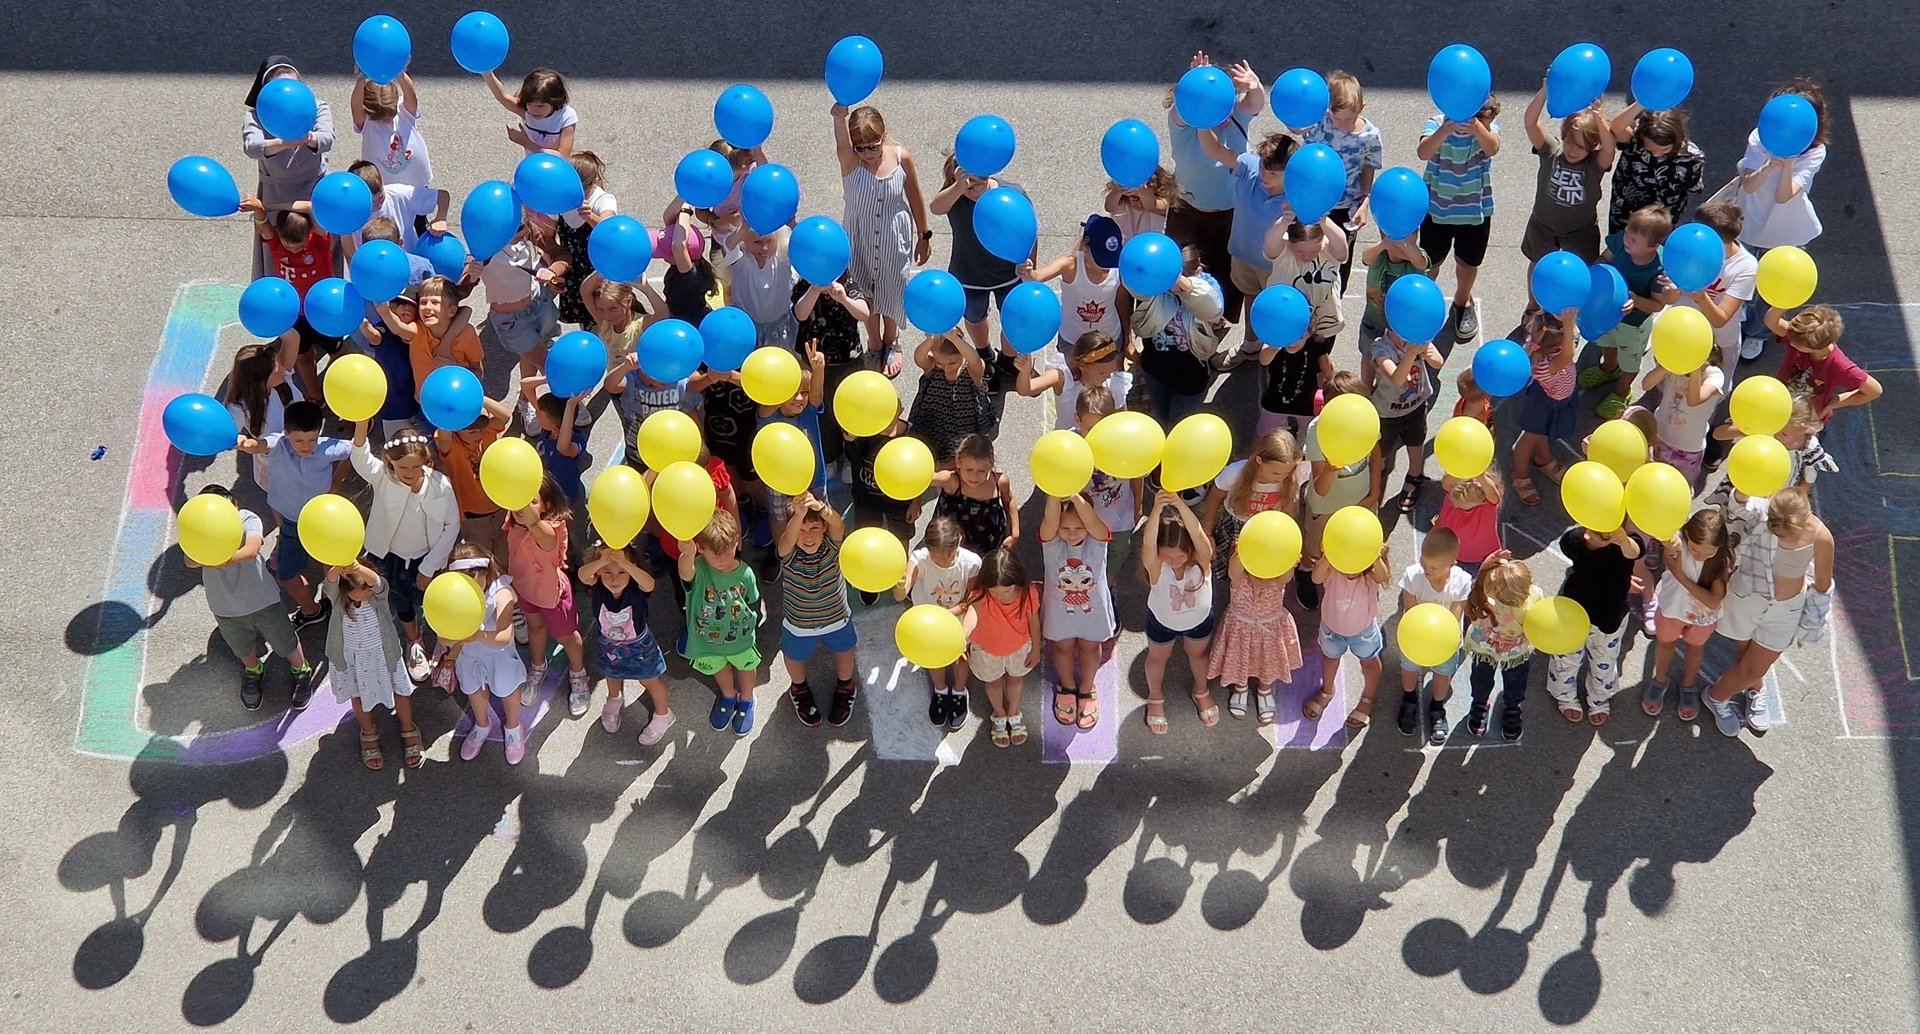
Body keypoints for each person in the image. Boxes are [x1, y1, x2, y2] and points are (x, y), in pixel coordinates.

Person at [1703, 492, 1834, 737]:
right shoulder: (1764, 512)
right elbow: (1739, 504)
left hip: (1785, 612)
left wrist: (1813, 621)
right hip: (1747, 600)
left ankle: (1715, 696)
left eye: (1784, 534)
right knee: (1746, 658)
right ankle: (1755, 689)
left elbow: (1823, 584)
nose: (1778, 535)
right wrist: (1743, 487)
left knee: (1754, 668)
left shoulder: (1821, 536)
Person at [185, 485, 317, 712]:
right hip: (225, 606)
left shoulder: (246, 519)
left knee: (285, 639)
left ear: (234, 506)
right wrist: (208, 554)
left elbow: (252, 550)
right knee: (241, 646)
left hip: (263, 600)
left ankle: (301, 670)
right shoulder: (200, 530)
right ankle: (253, 670)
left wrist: (219, 560)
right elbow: (189, 560)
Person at [1164, 52, 1265, 343]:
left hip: (1229, 212)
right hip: (1186, 208)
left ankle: (1216, 323)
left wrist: (1255, 86)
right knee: (1180, 267)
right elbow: (1182, 108)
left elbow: (1256, 102)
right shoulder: (1183, 121)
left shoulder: (1237, 117)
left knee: (1224, 271)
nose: (1219, 112)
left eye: (1222, 103)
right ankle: (1176, 321)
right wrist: (1194, 84)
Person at [349, 420, 459, 681]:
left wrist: (428, 567)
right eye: (403, 467)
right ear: (389, 461)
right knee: (401, 602)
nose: (409, 472)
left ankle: (446, 642)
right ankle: (414, 642)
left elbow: (452, 526)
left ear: (425, 461)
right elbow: (360, 457)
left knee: (435, 602)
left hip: (427, 560)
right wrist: (361, 424)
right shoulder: (382, 477)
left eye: (415, 466)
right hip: (390, 558)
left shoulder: (440, 484)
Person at [1735, 79, 1830, 359]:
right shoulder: (1759, 138)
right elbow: (1749, 185)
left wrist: (1787, 163)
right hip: (1750, 221)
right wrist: (1768, 165)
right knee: (1742, 277)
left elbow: (1783, 195)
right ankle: (1735, 322)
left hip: (1785, 229)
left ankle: (1758, 333)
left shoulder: (1815, 151)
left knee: (1773, 286)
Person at [833, 103, 931, 375]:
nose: (867, 153)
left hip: (893, 236)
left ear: (883, 136)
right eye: (860, 148)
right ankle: (874, 341)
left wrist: (924, 235)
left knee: (892, 286)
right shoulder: (850, 162)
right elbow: (841, 142)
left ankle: (892, 338)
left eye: (873, 146)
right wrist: (839, 116)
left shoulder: (901, 158)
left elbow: (915, 196)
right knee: (865, 290)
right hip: (859, 238)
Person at [235, 400, 347, 628]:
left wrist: (336, 482)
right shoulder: (278, 445)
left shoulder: (327, 447)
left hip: (323, 521)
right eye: (299, 441)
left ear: (319, 432)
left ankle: (337, 604)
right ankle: (312, 610)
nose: (306, 446)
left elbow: (354, 451)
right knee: (286, 576)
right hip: (291, 523)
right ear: (286, 434)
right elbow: (259, 445)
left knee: (334, 566)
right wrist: (245, 443)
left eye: (312, 440)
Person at [1194, 129, 1295, 368]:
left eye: (1273, 173)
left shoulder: (1298, 198)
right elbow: (1214, 150)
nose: (1264, 175)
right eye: (1263, 167)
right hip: (1243, 257)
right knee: (1250, 297)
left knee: (1277, 309)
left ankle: (1278, 354)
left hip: (1276, 267)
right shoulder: (1250, 166)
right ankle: (1250, 346)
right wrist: (1202, 122)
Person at [931, 155, 1029, 392]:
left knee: (1013, 319)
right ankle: (985, 356)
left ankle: (1007, 359)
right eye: (967, 185)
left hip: (1008, 274)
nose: (973, 191)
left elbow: (1029, 229)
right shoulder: (954, 198)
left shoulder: (1010, 194)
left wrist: (1029, 263)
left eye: (978, 183)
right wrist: (959, 186)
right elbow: (935, 207)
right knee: (975, 318)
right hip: (969, 274)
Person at [1520, 86, 1614, 311]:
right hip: (1543, 225)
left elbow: (1610, 148)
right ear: (1563, 137)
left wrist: (1599, 116)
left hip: (1580, 231)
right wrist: (1545, 91)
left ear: (1593, 146)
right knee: (1538, 265)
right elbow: (1530, 122)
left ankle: (1570, 312)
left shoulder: (1594, 164)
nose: (1573, 150)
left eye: (1581, 147)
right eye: (1570, 142)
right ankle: (1534, 306)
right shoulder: (1551, 151)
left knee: (1580, 272)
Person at [1579, 204, 1676, 418]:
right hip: (1607, 313)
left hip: (1634, 324)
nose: (1626, 240)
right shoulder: (1620, 243)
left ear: (1652, 247)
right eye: (1627, 234)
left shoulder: (1658, 270)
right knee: (1606, 343)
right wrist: (1597, 272)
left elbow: (1658, 304)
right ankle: (1608, 369)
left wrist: (1637, 301)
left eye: (1633, 240)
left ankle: (1622, 390)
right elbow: (1604, 259)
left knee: (1630, 359)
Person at [1417, 98, 1501, 343]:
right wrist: (1444, 130)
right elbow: (1423, 152)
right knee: (1430, 263)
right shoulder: (1436, 123)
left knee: (1468, 264)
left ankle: (1462, 301)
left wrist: (1478, 128)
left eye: (1481, 117)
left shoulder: (1485, 129)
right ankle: (1424, 302)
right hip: (1437, 209)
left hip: (1474, 212)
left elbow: (1493, 148)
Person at [322, 560, 420, 770]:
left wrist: (357, 568)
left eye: (368, 588)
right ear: (346, 591)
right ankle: (368, 732)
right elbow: (329, 583)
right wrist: (338, 567)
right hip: (352, 659)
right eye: (362, 590)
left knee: (400, 691)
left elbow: (378, 583)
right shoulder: (338, 599)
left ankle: (408, 728)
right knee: (357, 695)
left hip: (384, 655)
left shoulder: (377, 597)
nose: (368, 592)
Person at [439, 545, 532, 764]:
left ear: (484, 571)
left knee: (507, 689)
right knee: (473, 688)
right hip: (469, 656)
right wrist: (452, 638)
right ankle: (482, 725)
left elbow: (504, 635)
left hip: (499, 655)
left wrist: (475, 635)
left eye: (472, 579)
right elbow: (443, 638)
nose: (469, 588)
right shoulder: (453, 595)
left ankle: (513, 727)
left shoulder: (501, 592)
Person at [578, 542, 676, 746]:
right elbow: (582, 575)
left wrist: (625, 563)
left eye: (622, 572)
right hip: (609, 644)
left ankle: (663, 714)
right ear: (599, 572)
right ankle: (614, 699)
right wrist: (603, 560)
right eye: (607, 572)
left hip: (639, 646)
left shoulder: (636, 589)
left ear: (632, 570)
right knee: (611, 674)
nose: (615, 579)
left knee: (649, 680)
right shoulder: (597, 586)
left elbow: (650, 584)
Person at [242, 56, 333, 274]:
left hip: (313, 186)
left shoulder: (317, 106)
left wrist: (307, 137)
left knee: (321, 246)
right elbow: (251, 147)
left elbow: (327, 139)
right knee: (276, 245)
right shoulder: (256, 115)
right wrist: (285, 142)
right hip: (276, 190)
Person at [777, 493, 859, 732]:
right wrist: (799, 514)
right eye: (800, 530)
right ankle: (799, 688)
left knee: (844, 650)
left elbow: (839, 524)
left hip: (837, 618)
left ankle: (846, 685)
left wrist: (820, 507)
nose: (808, 536)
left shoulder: (833, 546)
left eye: (814, 528)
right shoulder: (789, 554)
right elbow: (786, 540)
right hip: (798, 623)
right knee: (794, 656)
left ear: (824, 527)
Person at [1257, 217, 1347, 437]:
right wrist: (1283, 221)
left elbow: (1343, 247)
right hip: (1283, 324)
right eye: (1301, 251)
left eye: (1313, 250)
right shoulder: (1283, 253)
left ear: (1322, 241)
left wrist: (1324, 219)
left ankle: (1313, 402)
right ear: (1289, 243)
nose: (1307, 255)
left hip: (1323, 323)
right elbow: (1269, 243)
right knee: (1278, 366)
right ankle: (1275, 403)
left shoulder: (1330, 251)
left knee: (1314, 363)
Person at [508, 475, 589, 716]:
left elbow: (537, 527)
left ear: (546, 506)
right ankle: (538, 666)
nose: (522, 508)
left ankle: (578, 673)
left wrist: (526, 512)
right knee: (535, 628)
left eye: (531, 501)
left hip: (552, 595)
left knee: (566, 636)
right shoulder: (513, 521)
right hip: (526, 590)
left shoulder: (549, 530)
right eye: (518, 501)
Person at [1642, 509, 1734, 722]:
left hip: (1701, 618)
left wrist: (1680, 574)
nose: (1700, 556)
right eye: (1695, 550)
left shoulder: (1721, 560)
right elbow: (1666, 545)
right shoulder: (1676, 545)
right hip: (1672, 610)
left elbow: (1714, 600)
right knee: (1665, 644)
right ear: (1686, 536)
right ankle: (1660, 679)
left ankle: (1688, 684)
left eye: (1708, 554)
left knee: (1695, 648)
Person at [1208, 529, 1305, 729]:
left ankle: (1264, 689)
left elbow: (1286, 575)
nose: (1262, 577)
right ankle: (1240, 686)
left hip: (1269, 633)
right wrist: (1240, 551)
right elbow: (1234, 570)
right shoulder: (1239, 579)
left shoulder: (1278, 582)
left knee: (1267, 663)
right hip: (1241, 631)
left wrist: (1290, 558)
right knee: (1239, 660)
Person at [1547, 524, 1642, 725]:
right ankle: (1564, 694)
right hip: (1575, 611)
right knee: (1566, 656)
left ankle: (1599, 696)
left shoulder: (1629, 542)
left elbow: (1635, 551)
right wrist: (1590, 541)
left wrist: (1622, 539)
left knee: (1604, 658)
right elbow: (1567, 544)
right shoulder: (1579, 539)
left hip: (1610, 615)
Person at [679, 510, 764, 737]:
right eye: (716, 555)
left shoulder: (746, 573)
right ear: (700, 548)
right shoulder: (698, 569)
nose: (723, 560)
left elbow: (752, 601)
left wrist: (753, 626)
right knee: (718, 668)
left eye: (728, 552)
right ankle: (728, 694)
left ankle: (747, 698)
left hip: (740, 638)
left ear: (736, 542)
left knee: (745, 666)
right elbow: (685, 573)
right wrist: (686, 554)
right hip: (706, 641)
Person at [1302, 371, 1381, 608]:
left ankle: (1355, 576)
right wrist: (1332, 465)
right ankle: (1305, 573)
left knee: (1357, 543)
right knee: (1315, 551)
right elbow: (1321, 489)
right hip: (1325, 508)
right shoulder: (1318, 430)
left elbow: (1376, 455)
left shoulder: (1365, 420)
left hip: (1362, 500)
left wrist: (1374, 493)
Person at [1301, 70, 1385, 292]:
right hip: (1313, 202)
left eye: (1349, 119)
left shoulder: (1370, 136)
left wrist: (1364, 201)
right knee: (1306, 255)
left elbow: (1368, 167)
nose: (1342, 125)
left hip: (1345, 207)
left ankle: (1334, 300)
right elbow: (1296, 126)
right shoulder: (1320, 123)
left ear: (1362, 108)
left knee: (1339, 261)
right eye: (1337, 118)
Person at [243, 200, 336, 398]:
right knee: (303, 358)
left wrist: (274, 205)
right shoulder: (277, 244)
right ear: (280, 235)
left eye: (299, 247)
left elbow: (312, 206)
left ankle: (339, 386)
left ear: (310, 232)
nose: (293, 250)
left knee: (336, 351)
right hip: (295, 314)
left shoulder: (319, 242)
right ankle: (315, 396)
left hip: (323, 310)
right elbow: (263, 226)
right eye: (288, 245)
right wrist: (259, 209)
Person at [1040, 493, 1116, 732]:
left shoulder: (1097, 541)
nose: (1072, 533)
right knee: (1061, 648)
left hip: (1092, 612)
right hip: (1060, 612)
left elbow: (1094, 524)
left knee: (1090, 648)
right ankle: (1068, 685)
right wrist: (1055, 498)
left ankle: (1087, 687)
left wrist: (1075, 496)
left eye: (1079, 528)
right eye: (1065, 528)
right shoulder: (1052, 544)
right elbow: (1049, 522)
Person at [1141, 490, 1216, 733]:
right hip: (1162, 623)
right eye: (1168, 556)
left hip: (1199, 622)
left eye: (1180, 555)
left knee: (1198, 656)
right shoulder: (1156, 567)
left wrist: (1180, 506)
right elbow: (1148, 543)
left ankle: (1201, 690)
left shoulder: (1201, 562)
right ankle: (1155, 697)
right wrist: (1156, 511)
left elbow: (1197, 533)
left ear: (1191, 550)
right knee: (1157, 659)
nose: (1174, 561)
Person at [897, 516, 982, 723]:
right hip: (928, 621)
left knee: (960, 657)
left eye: (949, 554)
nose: (943, 560)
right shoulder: (918, 559)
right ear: (928, 548)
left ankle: (960, 691)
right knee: (933, 655)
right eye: (937, 555)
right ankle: (940, 690)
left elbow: (971, 599)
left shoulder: (971, 563)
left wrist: (955, 616)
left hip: (956, 619)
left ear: (959, 542)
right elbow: (900, 596)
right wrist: (899, 583)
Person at [1128, 245, 1225, 426]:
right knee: (1160, 417)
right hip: (1154, 370)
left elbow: (1213, 308)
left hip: (1191, 377)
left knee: (1181, 424)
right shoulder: (1154, 283)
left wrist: (1183, 284)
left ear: (1197, 270)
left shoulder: (1207, 285)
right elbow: (1132, 282)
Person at [482, 215, 564, 424]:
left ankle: (525, 400)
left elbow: (561, 257)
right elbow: (467, 271)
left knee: (531, 356)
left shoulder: (530, 236)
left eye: (520, 228)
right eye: (512, 230)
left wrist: (552, 272)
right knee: (548, 365)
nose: (517, 235)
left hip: (538, 305)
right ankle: (558, 406)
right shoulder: (485, 249)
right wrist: (469, 273)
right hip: (511, 322)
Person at [1395, 528, 1473, 742]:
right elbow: (1410, 612)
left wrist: (1445, 640)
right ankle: (1409, 698)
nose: (1426, 569)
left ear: (1451, 564)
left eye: (1433, 567)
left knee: (1443, 672)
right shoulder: (1413, 576)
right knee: (1409, 667)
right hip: (1415, 638)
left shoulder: (1462, 581)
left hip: (1443, 642)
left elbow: (1454, 618)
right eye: (1423, 562)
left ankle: (1437, 706)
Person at [1306, 542, 1392, 729]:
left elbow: (1383, 576)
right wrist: (1328, 556)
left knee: (1369, 663)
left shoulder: (1369, 576)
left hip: (1363, 634)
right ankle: (1327, 690)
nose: (1350, 569)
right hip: (1331, 631)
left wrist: (1375, 555)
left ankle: (1368, 698)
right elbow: (1316, 577)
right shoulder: (1332, 571)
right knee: (1330, 658)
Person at [1202, 428, 1306, 580]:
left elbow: (1291, 514)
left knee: (1257, 574)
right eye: (1276, 473)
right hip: (1235, 525)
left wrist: (1289, 502)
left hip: (1267, 530)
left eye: (1287, 473)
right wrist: (1207, 531)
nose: (1281, 478)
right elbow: (1215, 497)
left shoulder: (1289, 480)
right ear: (1259, 460)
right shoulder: (1235, 473)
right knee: (1231, 569)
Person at [1460, 552, 1542, 742]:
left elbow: (1540, 621)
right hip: (1504, 650)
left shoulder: (1486, 593)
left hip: (1495, 649)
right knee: (1511, 680)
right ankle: (1491, 704)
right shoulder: (1489, 597)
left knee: (1488, 679)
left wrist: (1484, 570)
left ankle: (1498, 705)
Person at [795, 275, 873, 474]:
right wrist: (814, 290)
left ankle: (852, 457)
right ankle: (829, 456)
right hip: (816, 363)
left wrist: (844, 299)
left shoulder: (849, 284)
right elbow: (800, 314)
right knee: (823, 411)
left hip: (849, 360)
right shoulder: (804, 286)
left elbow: (864, 313)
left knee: (852, 408)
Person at [965, 549, 1043, 747]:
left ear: (1018, 581)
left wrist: (1036, 647)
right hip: (987, 652)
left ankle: (1014, 711)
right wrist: (961, 638)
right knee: (993, 683)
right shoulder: (979, 595)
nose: (1000, 596)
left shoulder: (1029, 593)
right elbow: (971, 615)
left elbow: (1033, 621)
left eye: (1007, 591)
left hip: (1019, 648)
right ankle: (999, 713)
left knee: (1016, 680)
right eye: (995, 591)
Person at [1370, 325, 1446, 513]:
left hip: (1416, 406)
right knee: (1381, 448)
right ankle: (1376, 472)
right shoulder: (1380, 347)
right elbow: (1397, 379)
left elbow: (1438, 362)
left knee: (1416, 440)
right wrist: (1411, 353)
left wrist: (1426, 351)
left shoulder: (1417, 336)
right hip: (1387, 412)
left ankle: (1414, 474)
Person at [1023, 216, 1127, 354]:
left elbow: (1122, 303)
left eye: (1112, 259)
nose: (1108, 266)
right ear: (1085, 248)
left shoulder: (1121, 267)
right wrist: (1027, 271)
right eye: (1102, 259)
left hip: (1110, 339)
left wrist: (1128, 340)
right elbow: (1036, 277)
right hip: (1072, 342)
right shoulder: (1070, 265)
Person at [1767, 304, 1882, 426]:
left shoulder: (1840, 366)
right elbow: (1770, 321)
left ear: (1816, 348)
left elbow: (1875, 391)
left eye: (1796, 344)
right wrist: (1786, 302)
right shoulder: (1798, 336)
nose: (1790, 342)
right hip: (1779, 404)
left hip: (1804, 421)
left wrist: (1833, 404)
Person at [373, 276, 482, 403]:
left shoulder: (466, 333)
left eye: (435, 302)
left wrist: (455, 369)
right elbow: (399, 329)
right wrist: (384, 312)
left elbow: (478, 372)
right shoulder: (418, 329)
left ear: (451, 311)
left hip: (459, 400)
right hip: (427, 403)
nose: (427, 307)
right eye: (423, 302)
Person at [1510, 311, 1579, 506]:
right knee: (1529, 438)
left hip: (1555, 398)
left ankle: (1543, 458)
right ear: (1558, 346)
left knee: (1542, 432)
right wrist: (1568, 322)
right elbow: (1569, 352)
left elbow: (1569, 342)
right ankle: (1519, 474)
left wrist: (1566, 322)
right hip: (1544, 403)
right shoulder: (1548, 365)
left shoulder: (1544, 347)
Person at [1073, 388, 1144, 575]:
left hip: (1121, 516)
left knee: (1118, 552)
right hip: (1083, 519)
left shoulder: (1124, 445)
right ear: (1078, 420)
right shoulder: (1072, 444)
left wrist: (1138, 504)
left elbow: (1137, 474)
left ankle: (1108, 583)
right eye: (1090, 429)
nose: (1096, 436)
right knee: (1084, 554)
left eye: (1102, 429)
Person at [435, 395, 513, 564]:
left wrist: (477, 396)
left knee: (505, 561)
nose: (479, 434)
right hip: (474, 520)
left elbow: (505, 416)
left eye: (481, 429)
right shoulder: (453, 446)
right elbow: (444, 435)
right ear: (456, 430)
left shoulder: (487, 434)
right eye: (472, 431)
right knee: (484, 563)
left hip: (501, 510)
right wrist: (451, 407)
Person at [1606, 105, 1705, 236]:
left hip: (1660, 222)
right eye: (1649, 148)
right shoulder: (1635, 140)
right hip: (1624, 214)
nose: (1656, 154)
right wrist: (1641, 102)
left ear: (1678, 140)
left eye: (1664, 150)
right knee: (1620, 245)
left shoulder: (1691, 159)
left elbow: (1693, 187)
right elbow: (1616, 127)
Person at [1015, 330, 1132, 433]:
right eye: (1102, 373)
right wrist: (1025, 372)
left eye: (1111, 371)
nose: (1108, 376)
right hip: (1066, 443)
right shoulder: (1063, 377)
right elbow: (1026, 390)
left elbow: (1122, 419)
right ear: (1082, 365)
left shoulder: (1114, 383)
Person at [549, 152, 618, 328]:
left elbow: (609, 228)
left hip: (597, 271)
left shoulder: (602, 199)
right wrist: (556, 270)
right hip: (573, 271)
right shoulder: (563, 200)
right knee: (583, 320)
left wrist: (590, 217)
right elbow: (550, 237)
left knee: (602, 320)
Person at [224, 340, 299, 493]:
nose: (282, 366)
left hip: (307, 448)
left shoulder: (284, 379)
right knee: (286, 495)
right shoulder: (240, 407)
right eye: (276, 365)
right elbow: (223, 435)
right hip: (277, 463)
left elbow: (293, 338)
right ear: (262, 378)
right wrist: (240, 442)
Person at [908, 334, 992, 468]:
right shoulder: (932, 366)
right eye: (940, 363)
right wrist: (930, 341)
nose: (946, 368)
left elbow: (975, 360)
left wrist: (955, 339)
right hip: (933, 419)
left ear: (962, 354)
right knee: (925, 447)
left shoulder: (972, 371)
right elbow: (919, 359)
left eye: (952, 363)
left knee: (958, 456)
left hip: (963, 425)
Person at [1643, 349, 1725, 486]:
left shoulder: (1714, 375)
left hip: (1688, 447)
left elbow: (1693, 400)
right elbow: (1646, 384)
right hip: (1660, 436)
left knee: (1682, 484)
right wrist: (1667, 365)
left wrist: (1695, 368)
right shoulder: (1675, 366)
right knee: (1652, 477)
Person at [351, 70, 432, 190]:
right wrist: (359, 83)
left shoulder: (404, 111)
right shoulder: (367, 122)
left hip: (414, 183)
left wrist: (401, 73)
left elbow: (412, 96)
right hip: (390, 188)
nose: (386, 120)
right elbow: (356, 107)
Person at [343, 161, 448, 251]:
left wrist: (441, 218)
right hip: (371, 263)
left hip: (408, 258)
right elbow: (350, 253)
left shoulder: (400, 194)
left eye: (381, 197)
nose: (378, 205)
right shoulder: (350, 213)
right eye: (372, 202)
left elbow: (443, 195)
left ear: (383, 182)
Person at [724, 225, 798, 348]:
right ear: (744, 241)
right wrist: (742, 229)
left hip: (780, 323)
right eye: (757, 242)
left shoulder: (783, 256)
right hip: (746, 324)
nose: (765, 248)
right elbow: (728, 246)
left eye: (769, 241)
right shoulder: (740, 258)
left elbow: (801, 245)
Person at [484, 67, 577, 155]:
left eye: (540, 106)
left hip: (554, 166)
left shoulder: (565, 117)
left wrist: (525, 142)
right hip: (530, 164)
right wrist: (486, 71)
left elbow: (563, 156)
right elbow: (503, 97)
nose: (533, 110)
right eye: (529, 104)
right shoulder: (526, 111)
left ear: (555, 101)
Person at [1433, 471, 1504, 576]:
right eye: (1452, 499)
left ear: (1480, 502)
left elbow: (1493, 494)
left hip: (1476, 558)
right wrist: (1463, 470)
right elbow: (1445, 482)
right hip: (1447, 549)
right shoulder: (1454, 494)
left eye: (1460, 505)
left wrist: (1480, 476)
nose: (1454, 506)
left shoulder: (1486, 506)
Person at [531, 390, 590, 507]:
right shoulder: (547, 430)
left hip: (561, 498)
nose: (535, 413)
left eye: (539, 414)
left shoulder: (576, 442)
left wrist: (571, 405)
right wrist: (547, 380)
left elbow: (562, 448)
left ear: (554, 425)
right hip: (543, 489)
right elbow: (526, 386)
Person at [1104, 165, 1175, 239]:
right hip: (1128, 242)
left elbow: (1153, 206)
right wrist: (1118, 191)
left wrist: (1141, 192)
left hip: (1153, 241)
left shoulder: (1161, 199)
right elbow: (1109, 207)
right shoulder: (1122, 200)